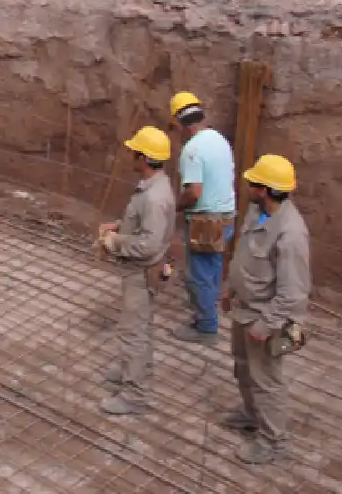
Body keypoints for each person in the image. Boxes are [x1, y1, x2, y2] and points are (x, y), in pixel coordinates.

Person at [221, 154, 311, 465]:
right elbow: (245, 255)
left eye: (254, 183)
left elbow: (293, 293)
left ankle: (273, 441)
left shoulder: (290, 233)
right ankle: (251, 414)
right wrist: (230, 288)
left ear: (267, 190)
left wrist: (267, 325)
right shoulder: (258, 212)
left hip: (263, 318)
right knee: (243, 367)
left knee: (266, 380)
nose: (248, 186)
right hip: (244, 309)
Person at [97, 126, 177, 416]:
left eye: (135, 152)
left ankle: (135, 394)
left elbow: (148, 244)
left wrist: (115, 241)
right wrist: (120, 226)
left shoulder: (154, 198)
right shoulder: (154, 187)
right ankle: (132, 371)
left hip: (141, 272)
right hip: (142, 270)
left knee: (134, 331)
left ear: (144, 158)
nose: (130, 155)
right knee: (138, 327)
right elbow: (144, 227)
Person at [169, 92, 237, 345]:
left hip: (206, 221)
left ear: (180, 122)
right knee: (212, 269)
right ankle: (207, 314)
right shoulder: (219, 139)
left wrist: (175, 207)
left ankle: (206, 328)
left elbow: (194, 192)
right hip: (226, 217)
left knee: (199, 275)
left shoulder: (192, 150)